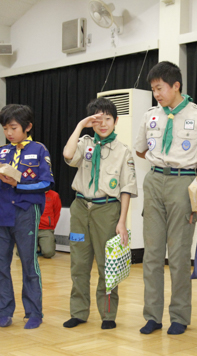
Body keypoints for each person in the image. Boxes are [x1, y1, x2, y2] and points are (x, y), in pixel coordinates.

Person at [135, 61, 197, 335]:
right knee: (153, 254)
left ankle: (180, 316)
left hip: (184, 183)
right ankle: (152, 316)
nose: (156, 94)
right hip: (155, 180)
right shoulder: (151, 115)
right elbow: (139, 150)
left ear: (176, 86)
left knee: (180, 255)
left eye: (160, 88)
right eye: (153, 89)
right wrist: (162, 163)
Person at [62, 97, 137, 330]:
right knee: (79, 263)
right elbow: (67, 154)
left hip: (107, 209)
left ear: (115, 121)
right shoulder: (85, 143)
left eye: (108, 119)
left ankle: (108, 315)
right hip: (80, 208)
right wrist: (79, 126)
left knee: (108, 265)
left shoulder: (123, 151)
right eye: (97, 120)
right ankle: (79, 312)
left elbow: (126, 189)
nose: (103, 124)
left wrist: (122, 221)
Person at [0, 104, 54, 329]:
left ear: (27, 127)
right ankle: (2, 311)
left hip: (25, 211)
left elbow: (46, 183)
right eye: (5, 129)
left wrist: (20, 183)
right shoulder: (0, 152)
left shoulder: (39, 149)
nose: (9, 133)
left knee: (28, 262)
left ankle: (34, 312)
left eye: (13, 127)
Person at [37, 189, 61, 258]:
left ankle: (42, 246)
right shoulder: (32, 192)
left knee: (49, 253)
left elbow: (57, 212)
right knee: (21, 253)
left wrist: (51, 227)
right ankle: (37, 246)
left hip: (46, 229)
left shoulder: (54, 195)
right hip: (31, 228)